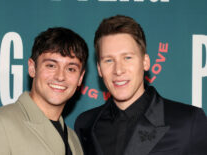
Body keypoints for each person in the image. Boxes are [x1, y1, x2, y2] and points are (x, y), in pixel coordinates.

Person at [74, 15, 207, 155]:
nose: (118, 70)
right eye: (108, 60)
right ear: (99, 69)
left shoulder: (188, 122)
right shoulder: (86, 125)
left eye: (127, 58)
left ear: (145, 62)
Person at [0, 27, 88, 155]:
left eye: (71, 69)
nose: (60, 76)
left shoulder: (73, 139)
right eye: (51, 65)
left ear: (80, 78)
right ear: (32, 68)